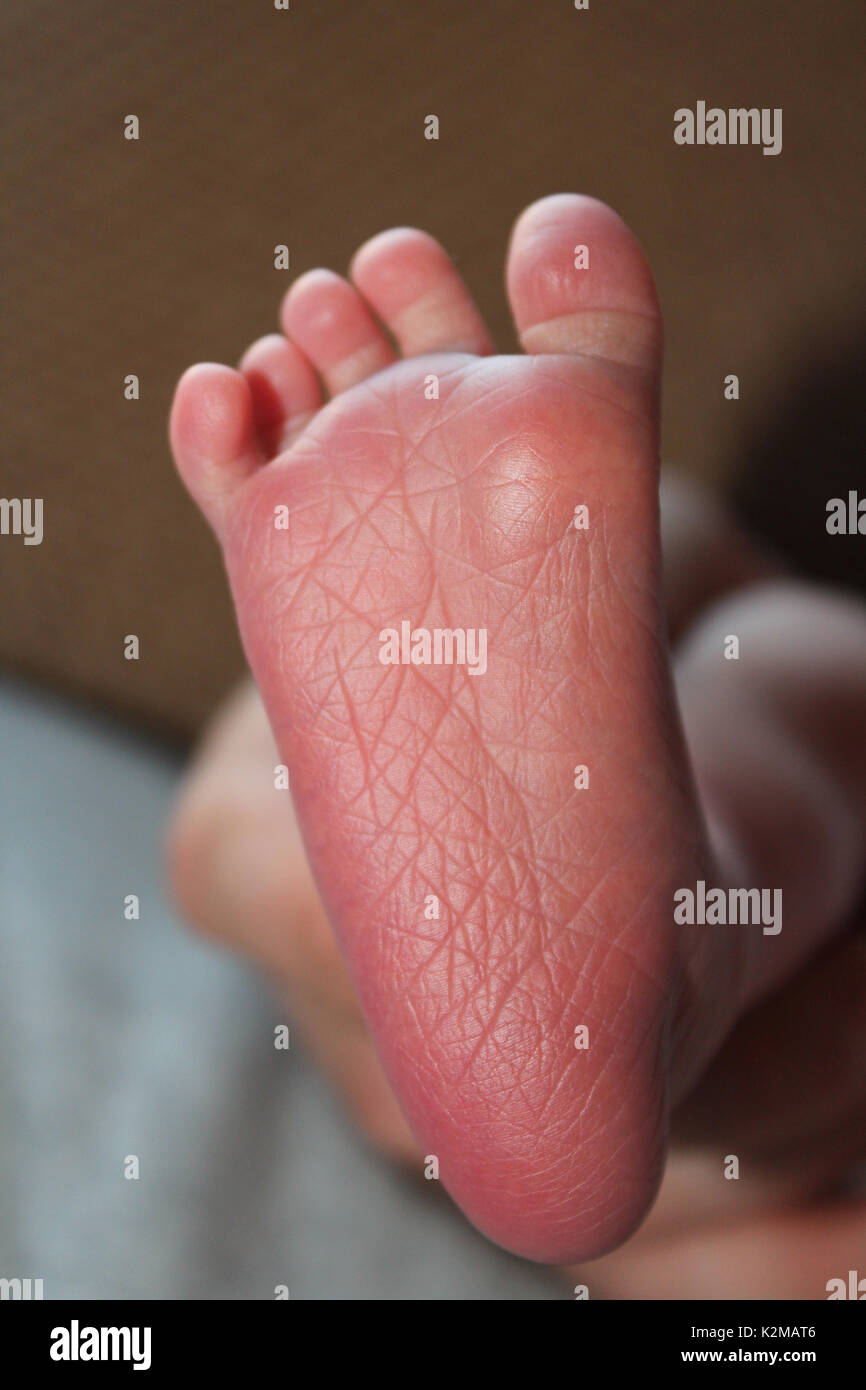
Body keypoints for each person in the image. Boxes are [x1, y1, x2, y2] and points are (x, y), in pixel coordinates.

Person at [167, 194, 866, 1296]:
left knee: (237, 830)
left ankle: (283, 880)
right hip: (743, 603)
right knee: (793, 679)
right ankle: (662, 966)